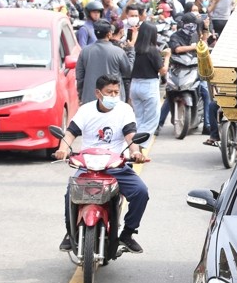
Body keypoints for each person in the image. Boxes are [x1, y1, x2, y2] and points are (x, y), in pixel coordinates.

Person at [54, 75, 149, 253]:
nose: (113, 96)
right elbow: (70, 133)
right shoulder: (86, 110)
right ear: (98, 93)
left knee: (141, 192)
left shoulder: (124, 109)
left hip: (116, 165)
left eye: (116, 92)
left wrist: (135, 152)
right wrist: (63, 149)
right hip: (87, 165)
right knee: (70, 193)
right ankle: (70, 232)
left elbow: (130, 134)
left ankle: (128, 234)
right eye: (109, 92)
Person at [76, 20, 134, 104]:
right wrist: (131, 50)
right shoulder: (118, 52)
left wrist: (81, 95)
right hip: (113, 100)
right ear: (109, 34)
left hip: (90, 100)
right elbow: (128, 72)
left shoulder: (85, 51)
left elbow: (79, 77)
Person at [129, 22, 166, 135]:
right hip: (148, 85)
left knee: (139, 118)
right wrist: (168, 57)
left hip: (134, 85)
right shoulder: (153, 50)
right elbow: (163, 71)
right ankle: (139, 147)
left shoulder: (134, 48)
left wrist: (134, 34)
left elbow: (132, 45)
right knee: (151, 121)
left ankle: (134, 148)